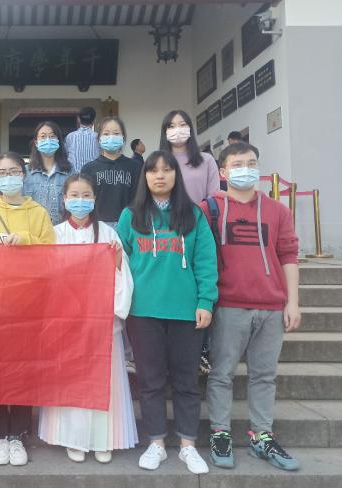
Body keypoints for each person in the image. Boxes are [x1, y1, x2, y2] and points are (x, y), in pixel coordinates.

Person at [116, 150, 218, 475]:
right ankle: (156, 443)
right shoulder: (130, 216)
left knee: (187, 381)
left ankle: (188, 445)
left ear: (176, 175)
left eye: (167, 170)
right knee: (150, 381)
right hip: (143, 312)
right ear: (144, 176)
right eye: (153, 170)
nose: (160, 175)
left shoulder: (193, 214)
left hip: (186, 312)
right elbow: (117, 263)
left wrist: (206, 301)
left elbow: (206, 260)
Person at [203, 143, 301, 472]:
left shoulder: (277, 211)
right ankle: (220, 433)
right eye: (237, 164)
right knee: (221, 374)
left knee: (264, 376)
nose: (245, 169)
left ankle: (262, 436)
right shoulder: (209, 209)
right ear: (222, 172)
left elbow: (288, 255)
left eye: (251, 163)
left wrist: (292, 302)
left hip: (271, 306)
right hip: (229, 305)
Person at [38, 173, 138, 463]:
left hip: (100, 321)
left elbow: (122, 273)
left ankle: (103, 438)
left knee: (105, 379)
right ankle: (73, 437)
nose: (79, 201)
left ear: (94, 199)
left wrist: (116, 261)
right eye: (74, 195)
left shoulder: (108, 234)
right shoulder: (55, 234)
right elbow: (46, 275)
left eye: (86, 195)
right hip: (66, 320)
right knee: (70, 379)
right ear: (64, 199)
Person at [0, 151, 55, 466]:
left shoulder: (39, 213)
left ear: (24, 174)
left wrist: (25, 239)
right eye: (2, 172)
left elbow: (52, 253)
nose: (9, 177)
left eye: (14, 171)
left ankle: (17, 434)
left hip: (28, 300)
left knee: (23, 367)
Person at [81, 116, 141, 228]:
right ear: (99, 138)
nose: (111, 137)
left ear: (123, 138)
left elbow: (139, 199)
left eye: (116, 133)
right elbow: (84, 201)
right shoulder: (88, 169)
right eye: (106, 134)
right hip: (98, 226)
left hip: (127, 224)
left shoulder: (135, 167)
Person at [159, 110, 220, 203]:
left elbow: (214, 196)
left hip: (201, 212)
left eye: (182, 125)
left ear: (190, 129)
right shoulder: (157, 162)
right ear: (165, 132)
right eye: (171, 126)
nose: (177, 129)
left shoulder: (207, 160)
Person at [23, 121, 73, 225]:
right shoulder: (26, 172)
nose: (48, 140)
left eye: (52, 136)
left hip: (62, 230)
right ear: (36, 143)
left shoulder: (69, 172)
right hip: (34, 231)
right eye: (43, 136)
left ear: (58, 141)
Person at [65, 106, 99, 172]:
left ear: (78, 119)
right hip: (93, 176)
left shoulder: (70, 136)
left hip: (74, 176)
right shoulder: (98, 137)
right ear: (94, 120)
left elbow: (65, 156)